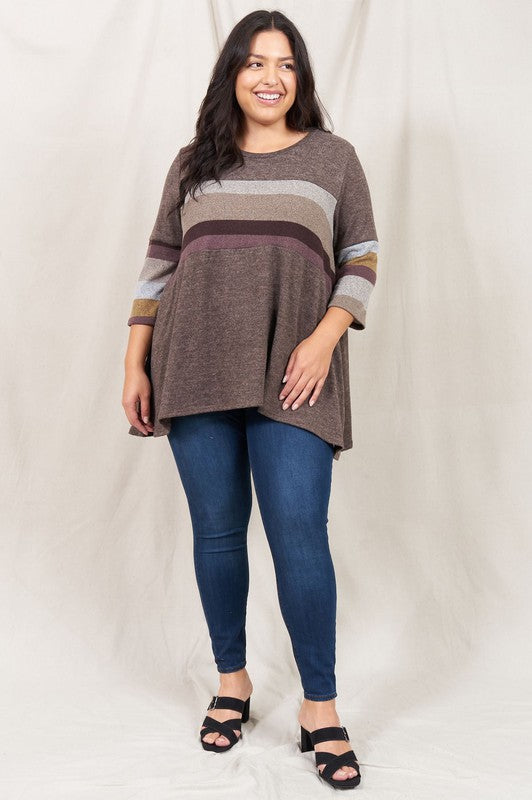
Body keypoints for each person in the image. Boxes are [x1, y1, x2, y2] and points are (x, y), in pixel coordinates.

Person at [122, 9, 378, 791]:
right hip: (193, 363)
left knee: (300, 533)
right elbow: (159, 264)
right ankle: (231, 682)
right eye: (256, 63)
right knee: (217, 534)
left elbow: (362, 255)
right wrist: (134, 363)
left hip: (295, 370)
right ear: (232, 73)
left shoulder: (333, 158)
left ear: (301, 78)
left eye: (287, 64)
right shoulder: (194, 162)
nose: (272, 78)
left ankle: (319, 706)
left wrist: (325, 337)